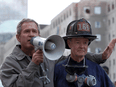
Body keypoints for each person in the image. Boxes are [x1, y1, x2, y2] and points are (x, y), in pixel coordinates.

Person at [0, 18, 115, 87]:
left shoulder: (49, 56)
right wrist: (33, 65)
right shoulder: (9, 64)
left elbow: (74, 56)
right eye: (26, 31)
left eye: (34, 31)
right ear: (18, 37)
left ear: (39, 35)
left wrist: (100, 57)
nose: (31, 34)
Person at [54, 18, 114, 87]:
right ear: (69, 43)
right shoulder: (58, 69)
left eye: (85, 42)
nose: (82, 46)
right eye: (77, 42)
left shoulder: (97, 70)